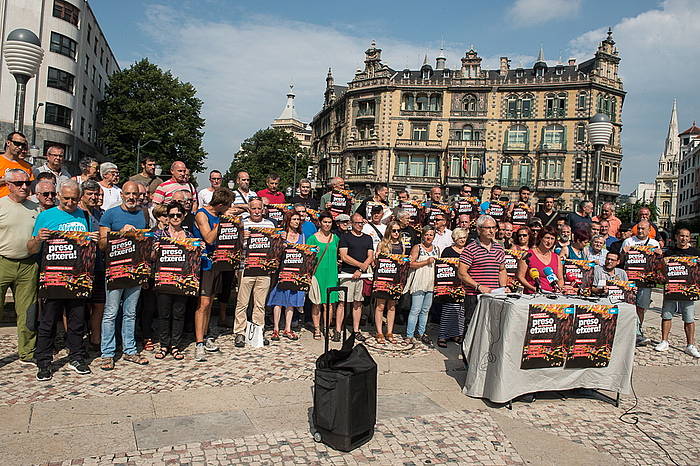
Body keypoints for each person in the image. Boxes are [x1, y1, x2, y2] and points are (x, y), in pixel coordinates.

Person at [29, 181, 98, 381]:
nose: (70, 202)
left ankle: (76, 356)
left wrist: (91, 239)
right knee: (48, 321)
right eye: (66, 198)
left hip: (77, 277)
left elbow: (90, 246)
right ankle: (43, 362)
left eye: (74, 199)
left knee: (77, 321)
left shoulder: (85, 215)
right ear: (59, 195)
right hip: (52, 277)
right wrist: (38, 239)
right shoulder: (45, 216)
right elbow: (31, 249)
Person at [97, 181, 150, 370]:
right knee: (111, 312)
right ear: (122, 195)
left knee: (130, 312)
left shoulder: (142, 215)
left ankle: (129, 350)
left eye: (134, 194)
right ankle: (107, 353)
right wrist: (120, 233)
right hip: (115, 270)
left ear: (139, 196)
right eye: (127, 194)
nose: (131, 197)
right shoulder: (110, 214)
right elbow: (102, 244)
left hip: (135, 271)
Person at [0, 169, 40, 364]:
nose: (24, 186)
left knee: (27, 312)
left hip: (28, 264)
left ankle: (27, 352)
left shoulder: (35, 207)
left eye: (27, 182)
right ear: (8, 185)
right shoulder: (1, 205)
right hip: (3, 262)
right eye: (19, 183)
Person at [192, 187, 235, 361]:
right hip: (204, 263)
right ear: (220, 205)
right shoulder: (202, 214)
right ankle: (199, 343)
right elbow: (208, 238)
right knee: (203, 303)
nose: (229, 208)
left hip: (217, 262)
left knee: (210, 303)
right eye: (227, 206)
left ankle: (206, 333)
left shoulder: (218, 215)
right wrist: (222, 222)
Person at [152, 202, 193, 361]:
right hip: (164, 279)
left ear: (183, 216)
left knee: (179, 313)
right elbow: (151, 258)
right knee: (164, 314)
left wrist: (198, 249)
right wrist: (155, 250)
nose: (175, 218)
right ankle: (164, 345)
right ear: (167, 217)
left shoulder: (189, 236)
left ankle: (175, 345)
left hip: (182, 280)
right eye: (171, 215)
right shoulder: (159, 235)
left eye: (178, 215)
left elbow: (194, 259)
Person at [233, 198, 275, 347]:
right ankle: (240, 332)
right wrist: (240, 237)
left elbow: (274, 247)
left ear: (263, 209)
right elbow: (233, 245)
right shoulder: (242, 223)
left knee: (260, 304)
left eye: (259, 208)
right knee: (242, 302)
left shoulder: (270, 224)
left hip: (264, 268)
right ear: (249, 209)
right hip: (246, 266)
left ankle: (258, 331)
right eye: (253, 208)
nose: (256, 211)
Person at [655, 228, 700, 358]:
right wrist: (663, 263)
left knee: (689, 317)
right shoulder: (669, 252)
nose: (684, 238)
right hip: (672, 288)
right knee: (666, 315)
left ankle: (690, 345)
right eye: (681, 236)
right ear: (676, 237)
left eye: (686, 236)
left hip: (688, 290)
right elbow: (663, 271)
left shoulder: (695, 253)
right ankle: (664, 341)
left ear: (689, 238)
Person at [458, 215, 507, 326]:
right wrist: (478, 286)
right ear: (479, 229)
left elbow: (502, 270)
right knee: (472, 327)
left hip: (494, 296)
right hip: (474, 295)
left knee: (491, 328)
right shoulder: (470, 249)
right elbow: (461, 273)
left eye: (494, 228)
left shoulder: (499, 248)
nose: (491, 231)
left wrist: (503, 287)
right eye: (488, 228)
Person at [621, 220, 662, 347]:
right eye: (638, 228)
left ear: (649, 230)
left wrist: (660, 255)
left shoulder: (654, 243)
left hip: (646, 282)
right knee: (629, 306)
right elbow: (621, 260)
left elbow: (658, 265)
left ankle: (638, 329)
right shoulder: (629, 241)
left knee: (641, 307)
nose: (640, 231)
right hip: (630, 280)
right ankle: (631, 331)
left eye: (643, 229)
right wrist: (623, 252)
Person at [267, 210, 306, 341]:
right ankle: (276, 328)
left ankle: (288, 328)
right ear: (288, 220)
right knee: (278, 301)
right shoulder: (283, 234)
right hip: (282, 271)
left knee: (291, 302)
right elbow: (275, 252)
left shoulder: (302, 236)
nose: (296, 222)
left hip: (295, 272)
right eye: (294, 219)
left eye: (298, 219)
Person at [337, 213, 374, 342]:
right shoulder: (345, 237)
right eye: (357, 223)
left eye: (362, 223)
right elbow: (344, 256)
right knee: (342, 303)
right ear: (351, 223)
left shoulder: (368, 238)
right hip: (347, 273)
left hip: (361, 275)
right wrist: (360, 266)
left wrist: (360, 269)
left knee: (358, 303)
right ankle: (338, 330)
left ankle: (356, 330)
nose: (360, 225)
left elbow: (370, 256)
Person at [79, 179, 106, 351]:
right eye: (90, 194)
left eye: (96, 194)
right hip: (78, 265)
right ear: (82, 195)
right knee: (77, 305)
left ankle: (95, 339)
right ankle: (74, 338)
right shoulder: (75, 213)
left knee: (99, 303)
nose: (94, 197)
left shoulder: (101, 214)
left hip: (98, 263)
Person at [307, 211, 340, 340]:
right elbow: (308, 258)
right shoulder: (312, 238)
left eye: (329, 222)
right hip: (318, 273)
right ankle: (316, 328)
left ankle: (326, 327)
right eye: (325, 222)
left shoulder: (335, 238)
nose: (327, 224)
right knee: (317, 302)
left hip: (332, 273)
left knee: (329, 304)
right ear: (320, 223)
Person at [372, 221, 406, 345]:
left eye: (398, 231)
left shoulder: (402, 245)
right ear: (389, 231)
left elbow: (403, 263)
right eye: (394, 230)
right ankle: (379, 332)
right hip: (382, 278)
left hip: (395, 280)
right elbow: (375, 262)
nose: (396, 233)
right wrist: (376, 257)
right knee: (380, 306)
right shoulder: (382, 244)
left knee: (392, 306)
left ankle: (389, 332)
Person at [406, 225, 439, 345]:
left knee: (425, 310)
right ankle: (409, 334)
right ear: (422, 236)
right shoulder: (417, 247)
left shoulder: (437, 249)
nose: (429, 237)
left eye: (431, 234)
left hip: (431, 282)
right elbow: (411, 264)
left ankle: (421, 332)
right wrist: (426, 261)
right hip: (419, 281)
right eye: (426, 234)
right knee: (415, 309)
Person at [437, 228, 468, 347]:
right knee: (448, 309)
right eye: (460, 238)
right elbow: (442, 266)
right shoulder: (448, 250)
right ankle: (443, 336)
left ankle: (456, 334)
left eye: (464, 238)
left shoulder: (468, 251)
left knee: (460, 311)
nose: (462, 240)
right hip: (450, 284)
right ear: (454, 238)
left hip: (464, 284)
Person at [517, 226, 564, 294]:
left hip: (552, 296)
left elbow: (560, 279)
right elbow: (520, 276)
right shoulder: (528, 255)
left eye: (552, 239)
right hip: (532, 296)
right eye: (547, 238)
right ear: (541, 238)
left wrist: (558, 288)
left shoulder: (556, 257)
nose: (549, 241)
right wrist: (534, 289)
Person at [0, 132, 34, 197]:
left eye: (23, 145)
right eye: (17, 144)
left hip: (19, 204)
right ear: (8, 143)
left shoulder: (26, 166)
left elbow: (28, 190)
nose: (20, 147)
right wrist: (6, 180)